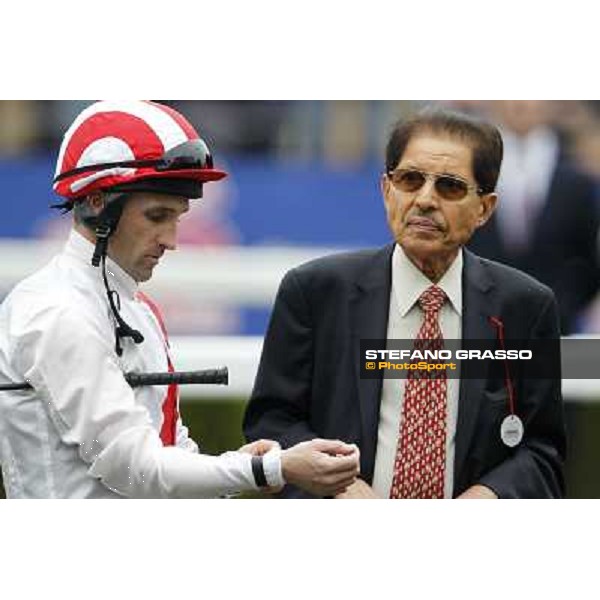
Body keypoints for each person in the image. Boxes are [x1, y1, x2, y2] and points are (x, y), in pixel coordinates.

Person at [0, 100, 359, 499]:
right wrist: (268, 468)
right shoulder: (56, 311)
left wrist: (240, 464)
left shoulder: (134, 306)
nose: (172, 240)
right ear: (97, 201)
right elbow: (131, 468)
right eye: (157, 216)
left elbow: (168, 454)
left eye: (178, 217)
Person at [244, 108, 566, 499]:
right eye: (410, 180)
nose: (425, 200)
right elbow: (271, 423)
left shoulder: (525, 306)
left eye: (449, 187)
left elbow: (542, 450)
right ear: (386, 190)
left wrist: (490, 494)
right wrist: (338, 487)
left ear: (484, 208)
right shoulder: (314, 291)